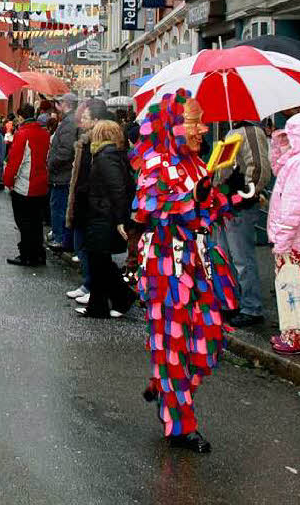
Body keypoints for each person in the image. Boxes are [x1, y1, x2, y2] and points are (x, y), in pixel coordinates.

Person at [130, 91, 237, 453]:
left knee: (206, 341)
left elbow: (205, 212)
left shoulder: (196, 163)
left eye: (202, 121)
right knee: (174, 345)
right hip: (168, 270)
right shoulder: (155, 164)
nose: (203, 129)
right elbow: (153, 209)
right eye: (194, 122)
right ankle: (179, 424)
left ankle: (163, 385)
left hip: (200, 264)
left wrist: (235, 196)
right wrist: (198, 196)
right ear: (173, 126)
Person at [266, 112, 300, 354]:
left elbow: (293, 205)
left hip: (297, 239)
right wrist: (279, 144)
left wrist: (282, 240)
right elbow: (278, 168)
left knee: (294, 287)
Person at [212, 119, 271, 328]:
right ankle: (233, 302)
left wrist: (246, 194)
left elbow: (259, 167)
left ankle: (251, 307)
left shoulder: (249, 130)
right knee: (226, 256)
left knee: (242, 258)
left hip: (239, 206)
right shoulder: (234, 130)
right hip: (226, 204)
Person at [76, 120, 136, 318]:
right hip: (104, 216)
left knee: (99, 263)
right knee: (101, 263)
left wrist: (120, 219)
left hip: (103, 217)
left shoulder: (105, 157)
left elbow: (117, 189)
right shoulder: (110, 155)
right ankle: (112, 301)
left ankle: (109, 302)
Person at [64, 99, 111, 302]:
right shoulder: (84, 141)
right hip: (82, 201)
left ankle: (94, 287)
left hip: (92, 205)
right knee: (80, 245)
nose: (81, 120)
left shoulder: (100, 146)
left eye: (85, 118)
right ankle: (88, 284)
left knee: (90, 248)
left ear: (96, 120)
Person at [4, 103, 50, 267]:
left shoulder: (23, 134)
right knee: (36, 222)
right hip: (41, 184)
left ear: (21, 117)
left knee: (24, 222)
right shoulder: (44, 133)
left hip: (25, 185)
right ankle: (38, 254)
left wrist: (8, 181)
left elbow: (15, 161)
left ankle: (27, 255)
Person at [46, 93, 79, 251]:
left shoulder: (69, 123)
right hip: (62, 174)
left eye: (59, 103)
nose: (57, 106)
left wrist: (51, 164)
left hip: (62, 175)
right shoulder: (69, 122)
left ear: (66, 104)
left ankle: (60, 239)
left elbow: (65, 152)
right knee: (59, 206)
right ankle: (60, 236)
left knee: (59, 207)